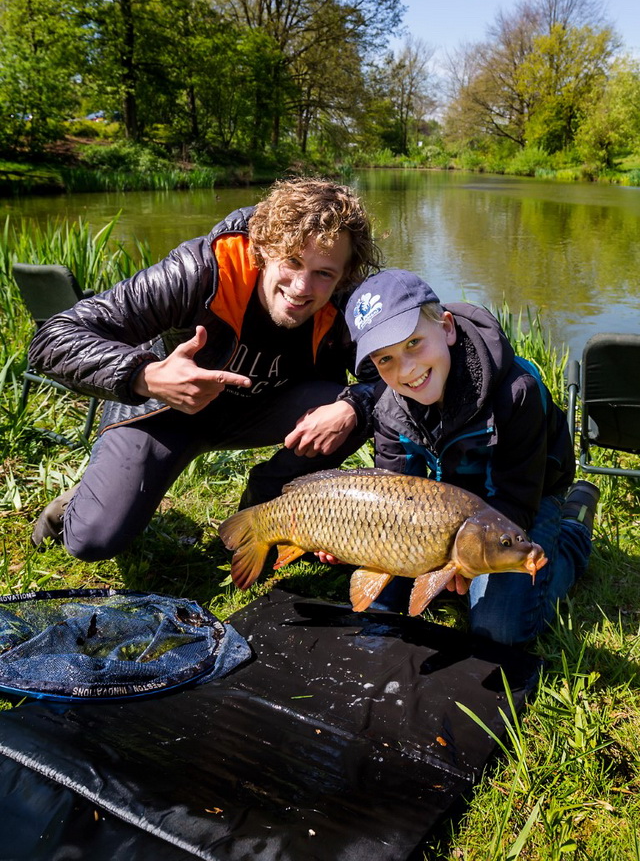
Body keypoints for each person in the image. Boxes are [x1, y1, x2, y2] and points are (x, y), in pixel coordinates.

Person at [29, 177, 383, 561]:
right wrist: (144, 375)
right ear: (264, 249)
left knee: (352, 410)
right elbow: (53, 338)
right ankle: (76, 504)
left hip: (259, 411)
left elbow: (396, 378)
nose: (301, 287)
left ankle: (264, 511)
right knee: (93, 539)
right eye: (293, 262)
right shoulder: (200, 269)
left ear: (344, 275)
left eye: (323, 273)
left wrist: (353, 406)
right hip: (164, 411)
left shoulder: (349, 302)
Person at [341, 267, 600, 646]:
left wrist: (468, 558)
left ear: (446, 328)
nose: (407, 369)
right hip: (447, 506)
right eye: (386, 360)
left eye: (414, 343)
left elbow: (516, 498)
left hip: (527, 494)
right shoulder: (388, 407)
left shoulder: (517, 393)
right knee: (382, 600)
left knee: (500, 629)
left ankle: (573, 532)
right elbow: (396, 497)